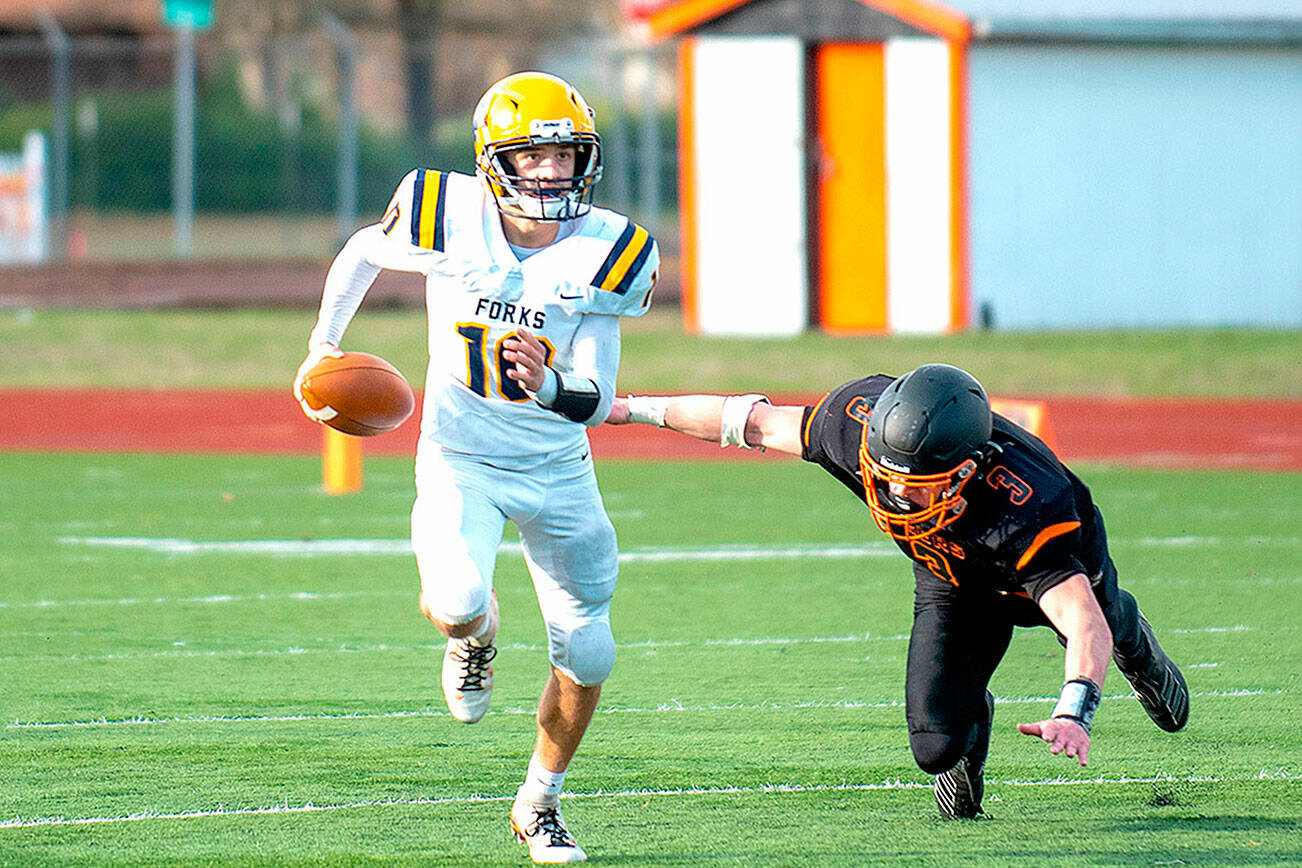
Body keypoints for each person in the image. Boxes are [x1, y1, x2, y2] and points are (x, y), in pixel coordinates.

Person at [294, 71, 658, 863]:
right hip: (461, 456)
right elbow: (361, 253)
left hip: (559, 467)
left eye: (567, 156)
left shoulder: (613, 249)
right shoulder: (444, 209)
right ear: (496, 161)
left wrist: (554, 384)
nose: (553, 173)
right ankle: (476, 635)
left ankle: (540, 802)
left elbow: (598, 396)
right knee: (458, 599)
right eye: (534, 156)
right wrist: (323, 347)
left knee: (590, 649)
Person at [607, 364, 1188, 819]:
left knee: (1106, 620)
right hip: (950, 576)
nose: (896, 496)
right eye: (886, 478)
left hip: (1038, 576)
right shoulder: (852, 425)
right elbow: (749, 421)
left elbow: (1082, 622)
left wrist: (1074, 709)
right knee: (935, 744)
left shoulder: (1025, 504)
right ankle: (970, 719)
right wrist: (634, 408)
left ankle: (1138, 641)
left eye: (919, 487)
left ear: (969, 470)